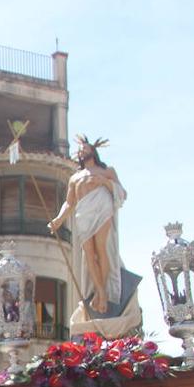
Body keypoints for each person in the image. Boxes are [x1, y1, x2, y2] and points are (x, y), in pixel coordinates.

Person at [48, 134, 130, 318]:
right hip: (83, 214)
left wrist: (105, 183)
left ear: (93, 151)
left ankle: (103, 295)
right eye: (80, 149)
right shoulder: (75, 178)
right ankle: (99, 291)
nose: (82, 151)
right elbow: (69, 203)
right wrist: (58, 220)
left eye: (85, 148)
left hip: (102, 211)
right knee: (89, 254)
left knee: (102, 250)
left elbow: (122, 193)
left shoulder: (107, 171)